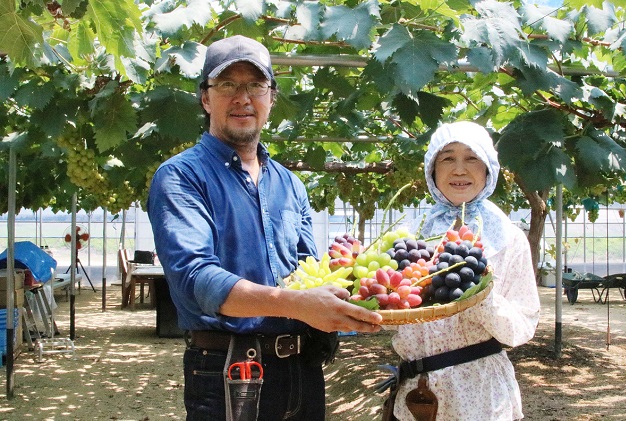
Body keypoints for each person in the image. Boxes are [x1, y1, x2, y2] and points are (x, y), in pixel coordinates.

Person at [147, 35, 382, 421]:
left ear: (271, 97)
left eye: (256, 85)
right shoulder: (181, 176)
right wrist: (298, 304)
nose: (243, 98)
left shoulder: (290, 184)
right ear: (205, 98)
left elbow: (307, 272)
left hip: (302, 369)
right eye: (227, 85)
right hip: (228, 370)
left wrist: (357, 281)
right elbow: (195, 278)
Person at [386, 121, 540, 420]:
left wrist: (480, 298)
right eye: (447, 158)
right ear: (432, 170)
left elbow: (521, 328)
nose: (459, 170)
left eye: (472, 158)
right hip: (415, 394)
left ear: (488, 169)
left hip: (480, 396)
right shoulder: (413, 236)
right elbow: (396, 316)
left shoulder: (507, 238)